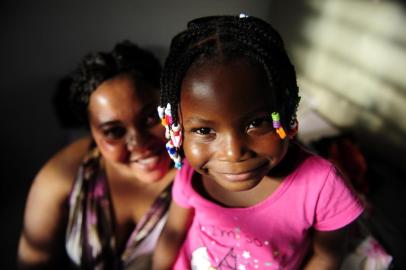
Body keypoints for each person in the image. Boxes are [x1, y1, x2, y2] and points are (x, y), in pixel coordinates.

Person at [152, 15, 364, 270]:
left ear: (287, 115)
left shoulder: (322, 185)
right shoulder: (190, 174)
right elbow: (173, 233)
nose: (233, 152)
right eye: (204, 130)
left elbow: (327, 256)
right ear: (178, 129)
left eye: (256, 123)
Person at [17, 41, 175, 269]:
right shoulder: (64, 174)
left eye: (150, 118)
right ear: (91, 131)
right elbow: (33, 260)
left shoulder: (201, 169)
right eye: (113, 131)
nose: (139, 143)